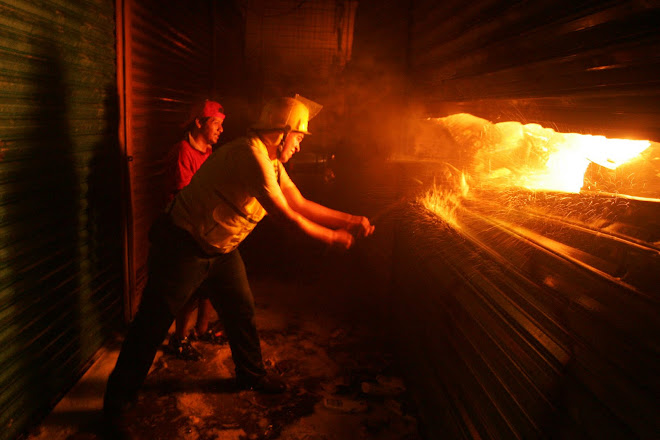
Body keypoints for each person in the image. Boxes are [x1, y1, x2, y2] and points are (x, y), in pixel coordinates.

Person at [103, 95, 374, 437]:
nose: (301, 145)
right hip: (183, 246)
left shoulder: (272, 162)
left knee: (240, 308)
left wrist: (350, 220)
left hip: (220, 247)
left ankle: (251, 374)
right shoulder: (250, 156)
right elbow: (286, 216)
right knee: (152, 324)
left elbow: (299, 201)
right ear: (282, 132)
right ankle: (116, 406)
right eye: (300, 137)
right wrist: (332, 238)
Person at [164, 99, 227, 361]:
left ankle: (201, 330)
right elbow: (184, 195)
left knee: (208, 285)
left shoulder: (207, 152)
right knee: (188, 289)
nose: (221, 130)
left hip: (205, 227)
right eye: (216, 124)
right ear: (199, 123)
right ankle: (180, 339)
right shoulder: (183, 151)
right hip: (184, 229)